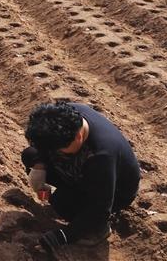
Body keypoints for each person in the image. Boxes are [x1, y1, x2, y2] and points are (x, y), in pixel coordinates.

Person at [22, 102, 141, 255]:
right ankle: (55, 194)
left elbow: (101, 207)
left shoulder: (101, 156)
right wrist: (39, 165)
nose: (53, 153)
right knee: (30, 155)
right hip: (85, 170)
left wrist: (63, 236)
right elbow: (42, 150)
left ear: (78, 137)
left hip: (113, 192)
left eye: (58, 150)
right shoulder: (67, 115)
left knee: (62, 202)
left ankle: (99, 229)